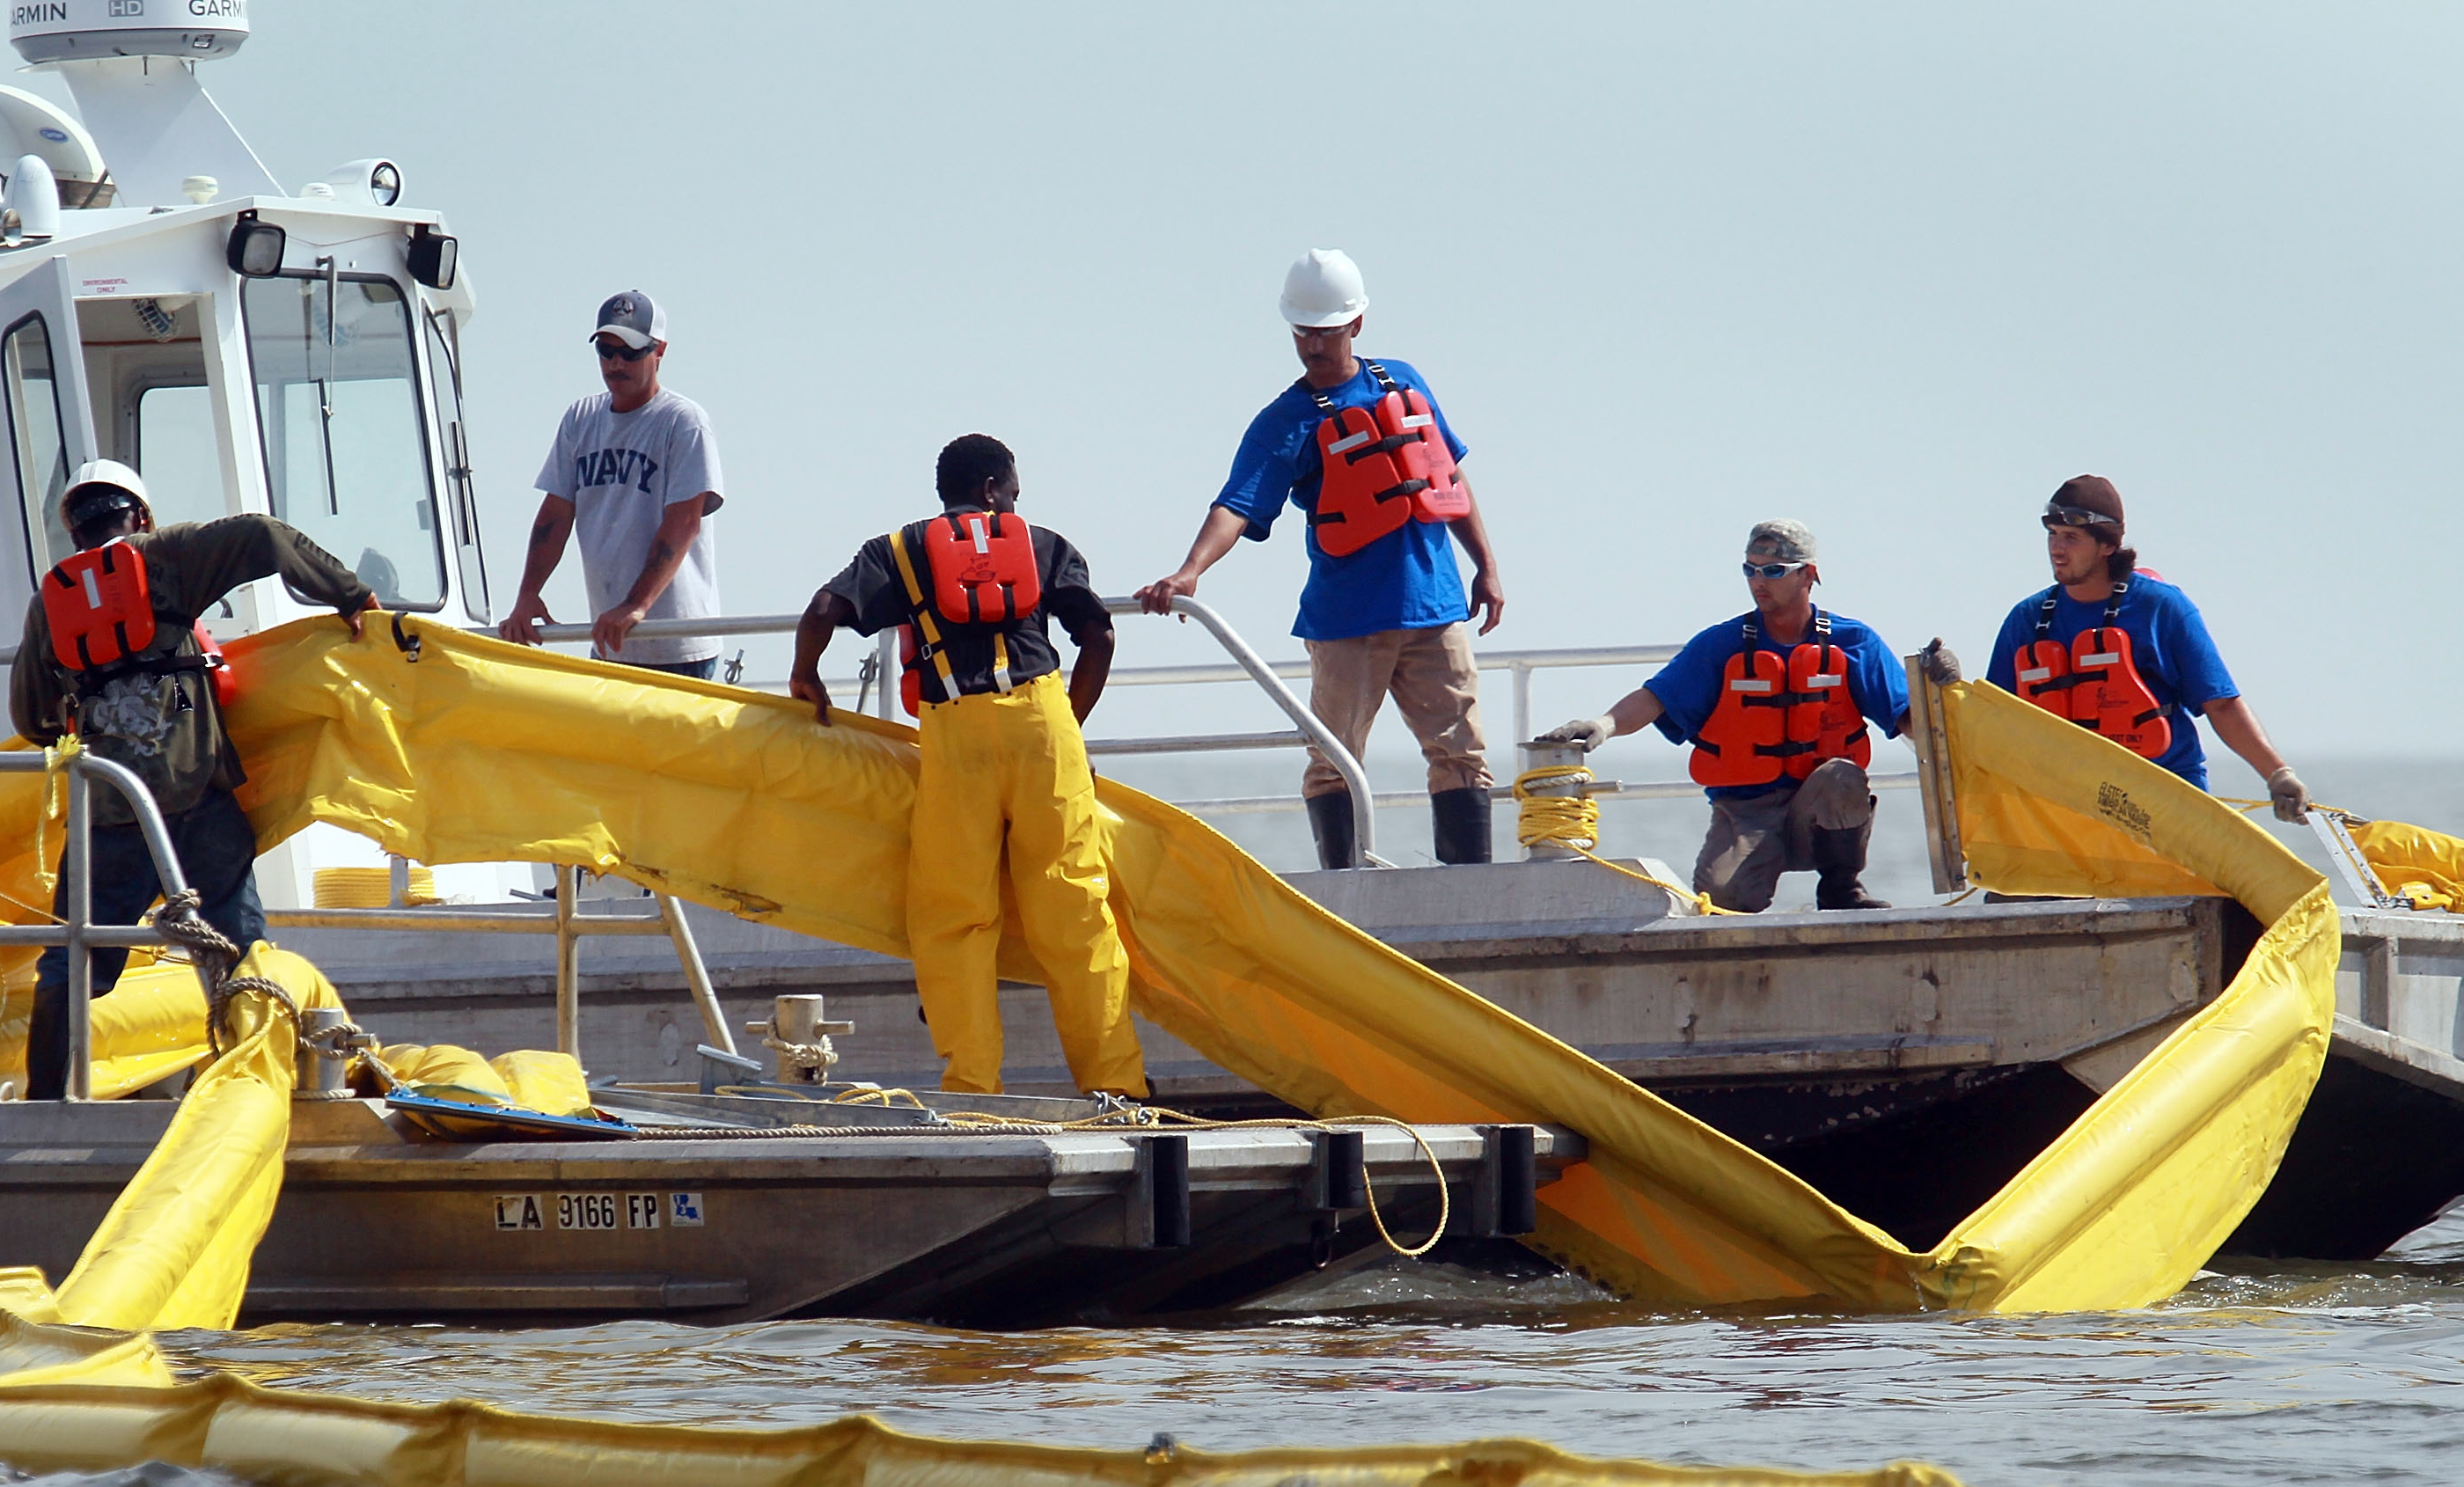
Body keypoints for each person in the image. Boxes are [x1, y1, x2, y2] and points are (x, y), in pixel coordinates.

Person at [788, 435, 1146, 1100]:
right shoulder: (1043, 544)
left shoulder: (898, 552)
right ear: (990, 489)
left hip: (955, 735)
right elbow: (1099, 636)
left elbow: (822, 610)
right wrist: (1068, 727)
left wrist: (804, 673)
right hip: (1042, 727)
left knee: (956, 919)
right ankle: (1116, 1086)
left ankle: (973, 1090)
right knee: (1075, 911)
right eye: (1012, 492)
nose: (1014, 505)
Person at [9, 461, 376, 1097]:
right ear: (140, 515)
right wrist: (347, 593)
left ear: (74, 530)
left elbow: (30, 716)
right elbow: (263, 534)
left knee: (72, 961)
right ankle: (255, 1089)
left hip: (111, 814)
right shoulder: (168, 556)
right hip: (197, 799)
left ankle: (44, 1102)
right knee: (242, 955)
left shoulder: (52, 601)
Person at [1135, 248, 1504, 870]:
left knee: (1462, 753)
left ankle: (1471, 884)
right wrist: (1190, 570)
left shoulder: (1404, 381)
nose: (1312, 345)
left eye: (1325, 332)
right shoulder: (1284, 422)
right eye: (1302, 331)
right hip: (1347, 624)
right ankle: (1343, 887)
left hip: (1434, 608)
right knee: (1335, 760)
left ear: (1356, 324)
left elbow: (1447, 476)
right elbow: (1236, 506)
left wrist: (1486, 567)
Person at [1539, 520, 1910, 912]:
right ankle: (1750, 877)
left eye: (1773, 571)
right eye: (1750, 569)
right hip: (1747, 812)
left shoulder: (1853, 641)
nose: (1758, 581)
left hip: (1818, 810)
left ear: (1808, 575)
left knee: (1842, 776)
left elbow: (1909, 719)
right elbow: (1656, 697)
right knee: (1723, 899)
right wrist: (1604, 725)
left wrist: (1941, 690)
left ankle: (1841, 890)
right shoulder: (1722, 644)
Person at [1977, 475, 2308, 821]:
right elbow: (1992, 720)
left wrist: (2278, 776)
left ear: (2107, 545)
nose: (2057, 549)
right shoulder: (2026, 620)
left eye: (2072, 538)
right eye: (2053, 535)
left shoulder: (2161, 608)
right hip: (2069, 812)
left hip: (2164, 805)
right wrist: (1948, 687)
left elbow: (2222, 705)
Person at [499, 290, 727, 678]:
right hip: (612, 645)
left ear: (659, 351)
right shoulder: (580, 418)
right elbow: (555, 515)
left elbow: (684, 522)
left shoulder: (683, 422)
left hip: (677, 645)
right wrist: (527, 595)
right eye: (606, 351)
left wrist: (635, 606)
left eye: (631, 352)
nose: (616, 363)